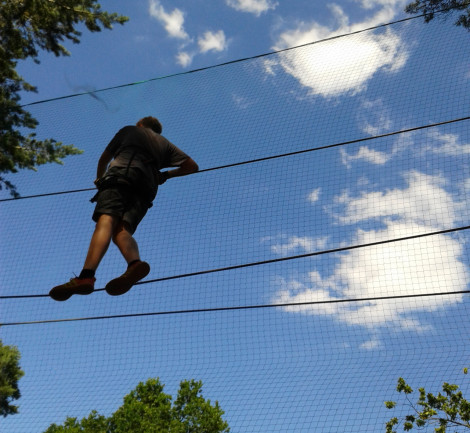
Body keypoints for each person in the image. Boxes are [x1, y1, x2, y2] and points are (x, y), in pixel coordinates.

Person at [49, 116, 199, 301]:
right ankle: (134, 264)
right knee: (121, 230)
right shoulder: (165, 144)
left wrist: (99, 179)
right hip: (146, 189)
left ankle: (86, 276)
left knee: (106, 221)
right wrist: (166, 175)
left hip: (121, 177)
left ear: (140, 124)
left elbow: (104, 159)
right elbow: (191, 166)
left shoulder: (129, 130)